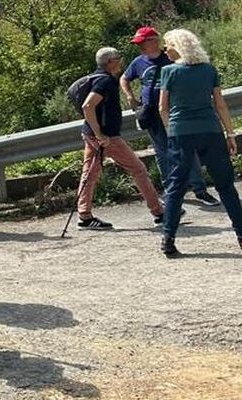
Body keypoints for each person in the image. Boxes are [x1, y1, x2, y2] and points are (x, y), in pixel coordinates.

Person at [158, 29, 242, 257]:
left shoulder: (168, 71)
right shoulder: (208, 70)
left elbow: (162, 108)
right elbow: (220, 104)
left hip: (181, 133)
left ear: (177, 46)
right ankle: (241, 234)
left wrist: (170, 130)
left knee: (176, 187)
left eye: (168, 45)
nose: (165, 50)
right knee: (225, 186)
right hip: (211, 130)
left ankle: (169, 239)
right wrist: (230, 134)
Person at [74, 47, 170, 230]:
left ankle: (84, 216)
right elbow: (88, 106)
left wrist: (95, 132)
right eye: (118, 58)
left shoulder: (98, 77)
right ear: (110, 62)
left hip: (91, 133)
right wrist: (100, 135)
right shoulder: (106, 81)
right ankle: (159, 212)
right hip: (106, 137)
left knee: (90, 173)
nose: (121, 61)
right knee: (139, 169)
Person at [122, 26, 218, 207]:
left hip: (175, 111)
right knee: (161, 152)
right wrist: (129, 96)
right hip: (151, 113)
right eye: (138, 43)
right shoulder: (138, 62)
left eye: (143, 42)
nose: (139, 46)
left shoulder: (172, 57)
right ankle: (171, 190)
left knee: (187, 149)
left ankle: (200, 190)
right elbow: (124, 78)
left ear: (154, 41)